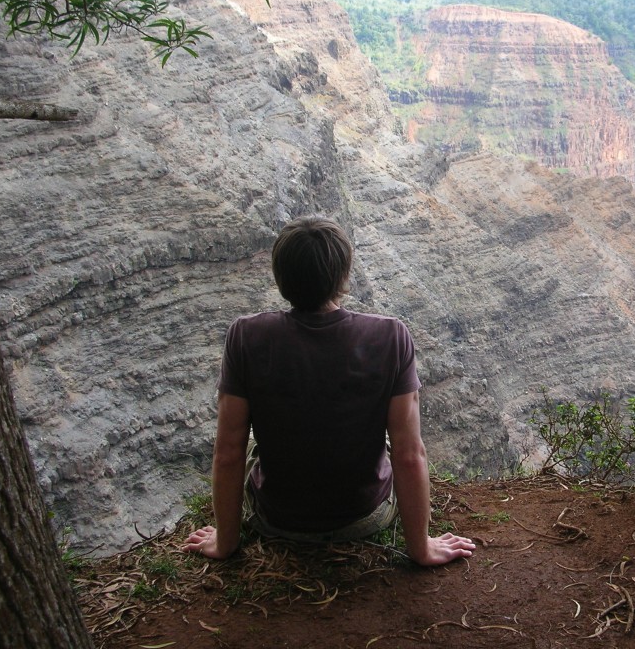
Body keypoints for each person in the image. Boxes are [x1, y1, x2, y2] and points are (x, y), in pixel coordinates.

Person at [183, 216, 475, 566]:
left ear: (280, 276)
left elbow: (227, 453)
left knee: (246, 444)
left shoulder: (245, 336)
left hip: (278, 521)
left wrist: (225, 542)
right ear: (343, 276)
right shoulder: (391, 336)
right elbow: (409, 453)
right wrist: (421, 549)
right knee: (381, 442)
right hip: (365, 517)